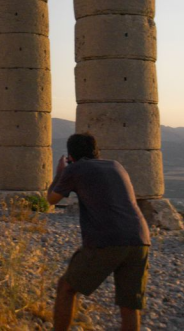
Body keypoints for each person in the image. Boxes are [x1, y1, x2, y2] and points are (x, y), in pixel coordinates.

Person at [47, 133, 151, 331]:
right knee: (129, 306)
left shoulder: (75, 169)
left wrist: (59, 174)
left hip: (107, 239)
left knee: (66, 287)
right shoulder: (115, 165)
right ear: (96, 151)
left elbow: (51, 200)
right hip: (140, 238)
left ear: (71, 156)